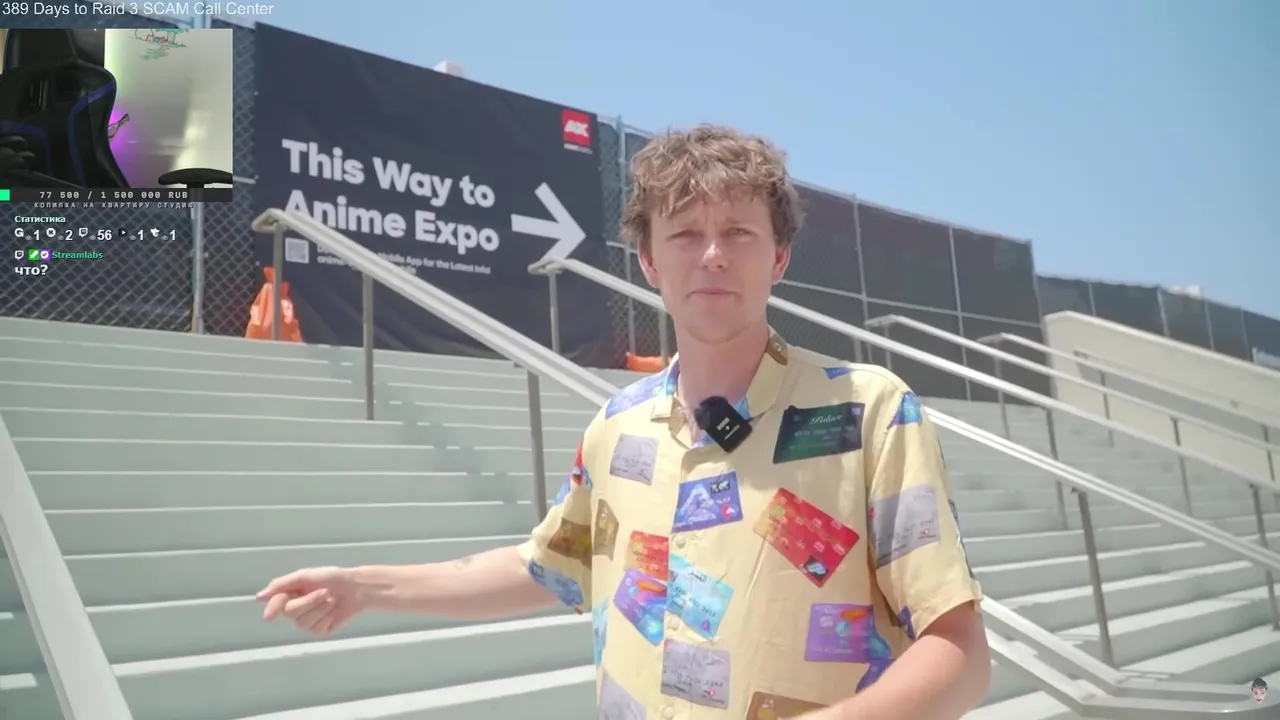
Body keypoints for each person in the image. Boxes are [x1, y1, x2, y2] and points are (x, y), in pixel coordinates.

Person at [257, 125, 991, 719]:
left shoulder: (869, 413)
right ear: (648, 262)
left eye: (739, 232)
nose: (712, 255)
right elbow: (544, 567)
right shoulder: (617, 429)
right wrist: (363, 585)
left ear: (779, 257)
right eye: (685, 233)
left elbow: (959, 653)